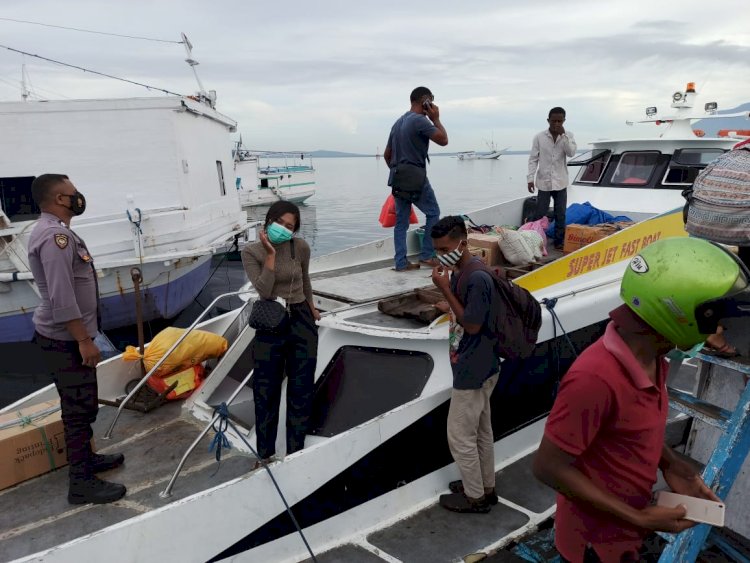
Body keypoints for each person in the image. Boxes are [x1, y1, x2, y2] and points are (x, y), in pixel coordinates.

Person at [532, 236, 750, 563]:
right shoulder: (595, 378)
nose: (716, 329)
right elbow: (548, 466)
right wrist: (638, 518)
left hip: (625, 533)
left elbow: (629, 430)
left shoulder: (653, 359)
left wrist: (671, 463)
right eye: (712, 320)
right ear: (679, 317)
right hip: (594, 546)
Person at [27, 174, 126, 505]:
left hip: (63, 337)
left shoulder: (54, 231)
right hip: (66, 341)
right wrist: (84, 340)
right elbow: (62, 297)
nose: (78, 197)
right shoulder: (56, 236)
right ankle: (81, 483)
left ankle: (87, 460)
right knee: (78, 409)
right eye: (73, 193)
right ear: (59, 199)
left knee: (81, 405)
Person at [429, 216, 500, 513]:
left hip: (474, 367)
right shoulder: (464, 271)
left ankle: (475, 498)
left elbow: (472, 326)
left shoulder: (477, 277)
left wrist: (444, 289)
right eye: (436, 249)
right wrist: (450, 300)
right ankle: (485, 487)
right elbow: (470, 312)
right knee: (481, 431)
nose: (440, 254)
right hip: (479, 364)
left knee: (460, 437)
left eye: (445, 247)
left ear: (463, 242)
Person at [242, 201, 320, 463]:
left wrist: (311, 308)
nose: (285, 230)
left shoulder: (300, 247)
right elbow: (264, 290)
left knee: (301, 388)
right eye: (282, 224)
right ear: (269, 220)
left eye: (291, 227)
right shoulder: (252, 252)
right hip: (271, 321)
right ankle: (265, 454)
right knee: (266, 390)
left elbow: (305, 280)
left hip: (300, 318)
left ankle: (295, 452)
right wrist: (271, 256)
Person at [384, 86, 448, 271]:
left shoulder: (397, 123)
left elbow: (387, 155)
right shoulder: (420, 121)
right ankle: (427, 255)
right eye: (432, 100)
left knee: (401, 222)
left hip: (397, 177)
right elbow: (443, 140)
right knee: (433, 212)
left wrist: (400, 172)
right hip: (415, 177)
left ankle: (401, 263)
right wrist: (435, 119)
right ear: (425, 101)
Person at [527, 107, 577, 250]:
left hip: (560, 182)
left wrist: (565, 136)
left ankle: (558, 242)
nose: (556, 124)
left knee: (560, 213)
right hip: (544, 182)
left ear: (564, 121)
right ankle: (534, 240)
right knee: (540, 212)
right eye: (553, 121)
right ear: (548, 120)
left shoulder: (568, 135)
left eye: (559, 121)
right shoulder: (539, 137)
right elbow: (533, 159)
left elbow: (571, 152)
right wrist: (530, 178)